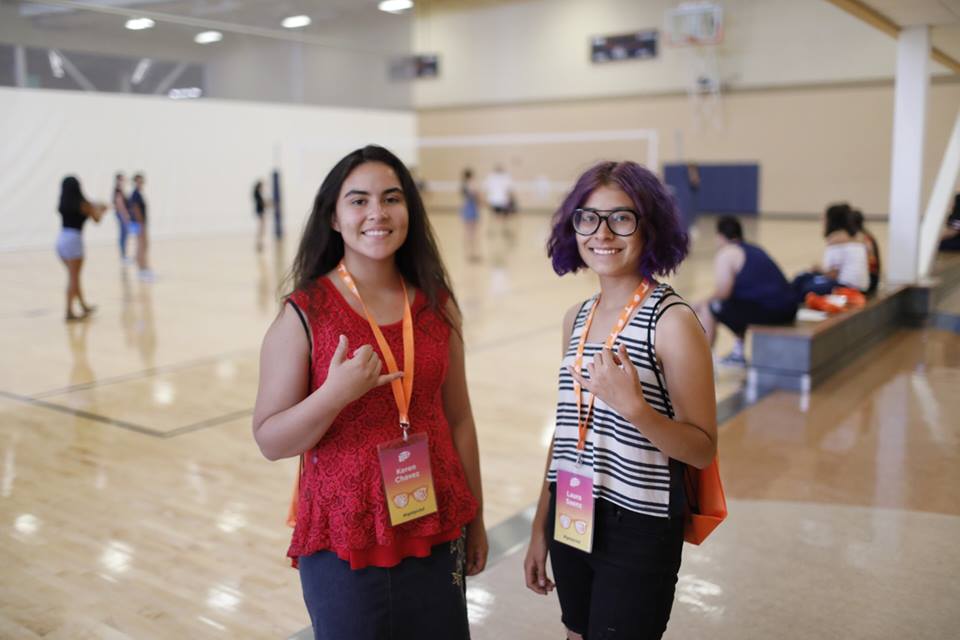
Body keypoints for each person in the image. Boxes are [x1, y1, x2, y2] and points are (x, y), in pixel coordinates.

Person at [252, 145, 487, 640]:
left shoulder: (437, 305)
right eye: (359, 200)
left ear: (409, 210)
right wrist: (334, 394)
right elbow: (270, 440)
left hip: (435, 523)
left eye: (391, 198)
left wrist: (478, 518)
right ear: (333, 218)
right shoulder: (305, 312)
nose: (377, 213)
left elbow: (460, 419)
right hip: (345, 538)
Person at [524, 161, 718, 640]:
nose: (603, 233)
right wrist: (539, 525)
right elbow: (567, 430)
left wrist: (636, 409)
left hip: (639, 522)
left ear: (649, 226)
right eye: (588, 218)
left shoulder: (672, 321)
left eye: (621, 218)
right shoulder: (577, 318)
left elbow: (701, 449)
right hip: (572, 506)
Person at [692, 216, 797, 366]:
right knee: (737, 304)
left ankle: (703, 362)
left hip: (770, 311)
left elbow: (723, 292)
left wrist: (701, 303)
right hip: (789, 308)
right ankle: (738, 353)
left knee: (711, 307)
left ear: (720, 236)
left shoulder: (727, 253)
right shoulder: (754, 249)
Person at [792, 203, 868, 298]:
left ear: (831, 220)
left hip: (848, 288)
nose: (822, 221)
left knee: (803, 282)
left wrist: (818, 269)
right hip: (859, 287)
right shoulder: (854, 237)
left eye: (824, 218)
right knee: (806, 279)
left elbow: (832, 275)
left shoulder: (836, 239)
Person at [56, 176, 105, 321]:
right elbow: (97, 219)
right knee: (73, 278)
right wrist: (101, 211)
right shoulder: (83, 204)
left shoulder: (63, 204)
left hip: (61, 239)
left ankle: (83, 305)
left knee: (74, 277)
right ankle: (69, 311)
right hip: (74, 241)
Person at [128, 173, 154, 282]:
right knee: (141, 246)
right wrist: (141, 224)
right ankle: (142, 270)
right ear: (135, 182)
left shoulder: (137, 194)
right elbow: (136, 209)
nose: (140, 183)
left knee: (142, 245)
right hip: (139, 224)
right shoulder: (135, 195)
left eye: (141, 181)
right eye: (138, 181)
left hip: (139, 223)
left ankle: (143, 268)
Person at [849, 208, 881, 295]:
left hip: (870, 279)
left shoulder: (861, 238)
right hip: (871, 277)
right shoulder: (865, 235)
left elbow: (870, 262)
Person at [484, 163, 515, 237]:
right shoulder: (493, 177)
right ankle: (496, 230)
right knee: (500, 217)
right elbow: (509, 190)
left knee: (497, 216)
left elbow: (509, 190)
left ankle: (497, 230)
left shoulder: (494, 177)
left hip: (499, 201)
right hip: (498, 201)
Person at [460, 168, 480, 262]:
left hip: (466, 208)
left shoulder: (464, 185)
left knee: (468, 232)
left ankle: (469, 254)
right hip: (471, 209)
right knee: (472, 233)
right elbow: (477, 196)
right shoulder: (471, 185)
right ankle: (472, 254)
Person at [113, 173, 131, 264]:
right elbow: (120, 204)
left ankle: (124, 255)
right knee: (123, 235)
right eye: (121, 179)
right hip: (121, 214)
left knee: (124, 235)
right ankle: (123, 256)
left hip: (121, 214)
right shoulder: (118, 190)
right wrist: (125, 215)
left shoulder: (120, 190)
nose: (123, 181)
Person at [253, 179, 268, 252]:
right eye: (262, 186)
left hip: (260, 212)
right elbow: (262, 203)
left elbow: (263, 203)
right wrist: (270, 204)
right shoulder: (257, 194)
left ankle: (259, 244)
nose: (263, 188)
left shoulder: (257, 194)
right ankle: (259, 244)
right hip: (260, 213)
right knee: (261, 229)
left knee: (261, 229)